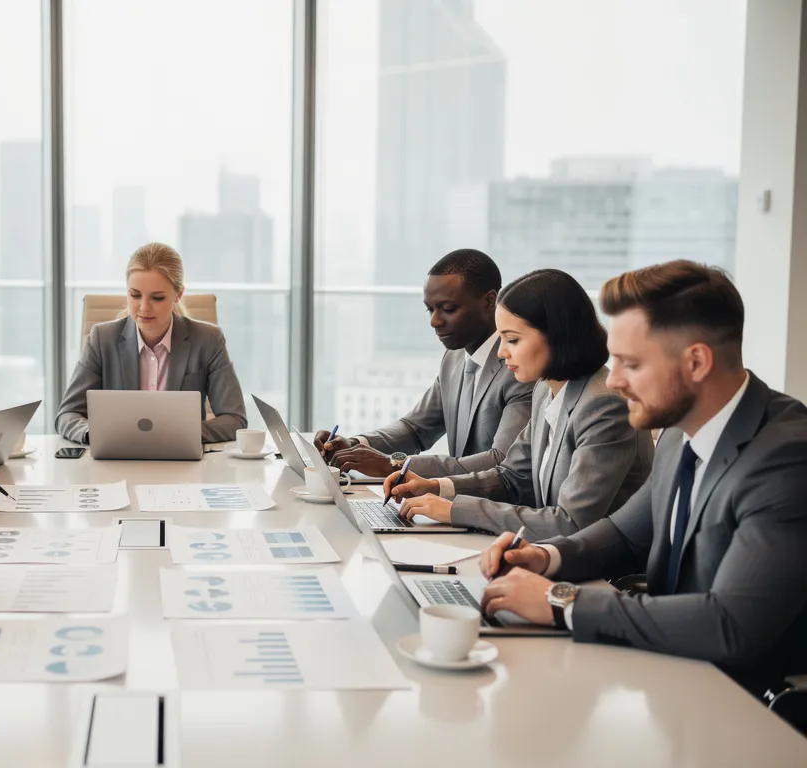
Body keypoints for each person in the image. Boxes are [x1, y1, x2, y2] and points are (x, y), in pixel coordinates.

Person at [475, 261, 807, 694]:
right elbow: (626, 535)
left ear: (696, 362)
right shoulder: (679, 432)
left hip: (742, 700)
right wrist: (543, 557)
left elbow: (731, 626)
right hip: (668, 672)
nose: (613, 380)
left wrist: (561, 601)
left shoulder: (785, 458)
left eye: (631, 364)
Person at [384, 269, 653, 537]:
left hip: (605, 575)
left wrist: (453, 510)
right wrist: (436, 488)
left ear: (557, 335)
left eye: (512, 339)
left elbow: (571, 523)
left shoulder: (603, 405)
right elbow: (512, 477)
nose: (501, 352)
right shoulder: (545, 390)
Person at [315, 249, 534, 478]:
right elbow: (415, 429)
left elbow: (501, 461)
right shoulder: (454, 358)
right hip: (450, 501)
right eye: (430, 309)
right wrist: (355, 445)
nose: (434, 321)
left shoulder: (518, 368)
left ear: (489, 301)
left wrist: (395, 465)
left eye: (448, 309)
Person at [56, 242, 247, 444]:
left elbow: (235, 419)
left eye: (157, 298)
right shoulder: (102, 339)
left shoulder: (208, 339)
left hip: (181, 461)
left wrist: (183, 435)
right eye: (135, 295)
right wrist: (93, 433)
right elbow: (67, 414)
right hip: (118, 461)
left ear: (178, 294)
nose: (144, 308)